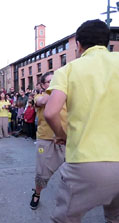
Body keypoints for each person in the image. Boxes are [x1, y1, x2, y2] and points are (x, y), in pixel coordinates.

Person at [45, 19, 119, 223]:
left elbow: (51, 112)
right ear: (106, 42)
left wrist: (62, 135)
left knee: (65, 221)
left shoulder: (68, 70)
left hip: (85, 162)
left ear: (79, 45)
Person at [30, 72, 67, 210]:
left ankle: (69, 198)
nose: (53, 83)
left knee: (71, 172)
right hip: (46, 139)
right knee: (42, 171)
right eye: (49, 82)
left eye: (55, 80)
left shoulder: (66, 96)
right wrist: (57, 90)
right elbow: (43, 102)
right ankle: (37, 193)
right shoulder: (39, 97)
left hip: (66, 139)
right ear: (42, 85)